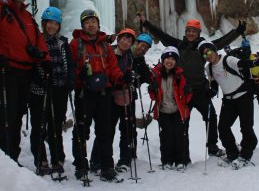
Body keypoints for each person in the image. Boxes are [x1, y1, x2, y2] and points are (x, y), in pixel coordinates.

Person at [139, 15, 245, 157]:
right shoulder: (178, 45)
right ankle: (184, 154)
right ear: (186, 32)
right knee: (183, 122)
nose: (191, 33)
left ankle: (212, 146)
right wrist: (146, 23)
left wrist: (237, 31)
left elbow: (221, 42)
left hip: (201, 90)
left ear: (198, 33)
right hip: (183, 91)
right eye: (189, 30)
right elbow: (162, 35)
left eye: (194, 31)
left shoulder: (203, 48)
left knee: (211, 117)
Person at [0, 0, 51, 163]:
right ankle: (2, 155)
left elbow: (38, 41)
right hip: (7, 67)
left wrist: (45, 58)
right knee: (8, 111)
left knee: (19, 112)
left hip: (26, 70)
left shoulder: (28, 17)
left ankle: (12, 155)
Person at [198, 40, 259, 169]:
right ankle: (232, 152)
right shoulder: (208, 68)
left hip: (244, 96)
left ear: (214, 50)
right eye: (204, 55)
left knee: (246, 127)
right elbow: (215, 84)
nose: (208, 56)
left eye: (209, 52)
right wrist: (211, 91)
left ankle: (245, 154)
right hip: (228, 100)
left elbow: (243, 64)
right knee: (223, 128)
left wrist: (258, 62)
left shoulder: (228, 60)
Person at [69, 9, 123, 182]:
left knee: (105, 131)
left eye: (93, 21)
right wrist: (79, 76)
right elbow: (71, 68)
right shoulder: (75, 44)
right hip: (84, 93)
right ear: (83, 25)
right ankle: (81, 166)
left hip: (104, 93)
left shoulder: (105, 46)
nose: (91, 24)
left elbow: (113, 67)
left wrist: (121, 78)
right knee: (81, 131)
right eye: (87, 22)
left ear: (98, 24)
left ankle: (107, 166)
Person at [91, 29, 153, 174]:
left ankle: (126, 159)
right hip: (110, 97)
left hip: (128, 97)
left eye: (146, 47)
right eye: (141, 45)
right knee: (106, 130)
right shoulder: (111, 53)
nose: (142, 48)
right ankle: (97, 161)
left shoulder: (137, 60)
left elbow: (146, 76)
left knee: (128, 130)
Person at [29, 6, 75, 177]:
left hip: (59, 89)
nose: (52, 26)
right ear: (44, 23)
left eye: (55, 24)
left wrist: (70, 80)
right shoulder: (36, 41)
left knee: (55, 125)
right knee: (39, 125)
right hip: (40, 89)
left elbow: (69, 64)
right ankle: (40, 159)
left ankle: (58, 157)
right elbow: (32, 63)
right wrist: (39, 77)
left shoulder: (63, 43)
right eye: (49, 23)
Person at [148, 46, 192, 171]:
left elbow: (186, 98)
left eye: (173, 59)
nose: (169, 61)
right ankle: (166, 160)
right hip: (163, 111)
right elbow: (154, 97)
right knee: (166, 136)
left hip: (178, 111)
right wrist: (151, 89)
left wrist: (188, 92)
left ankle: (180, 160)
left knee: (179, 135)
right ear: (163, 59)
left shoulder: (179, 76)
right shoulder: (156, 74)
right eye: (167, 58)